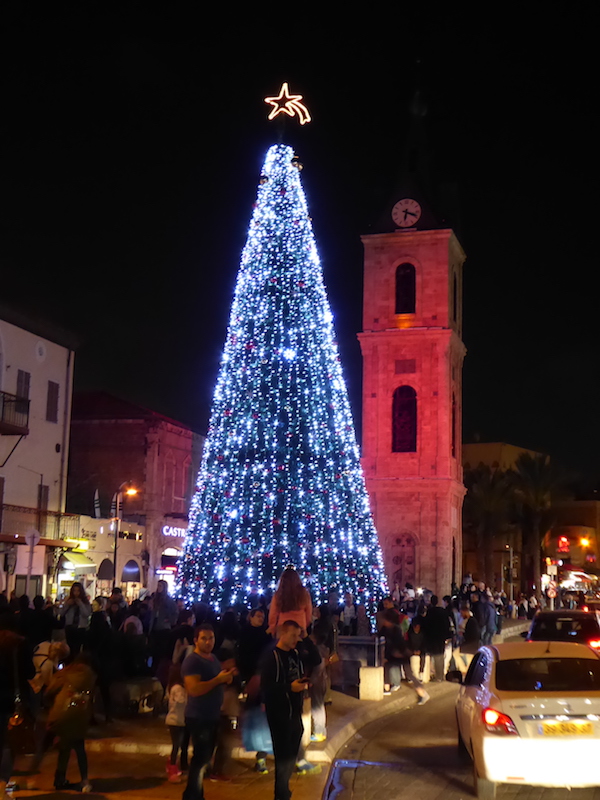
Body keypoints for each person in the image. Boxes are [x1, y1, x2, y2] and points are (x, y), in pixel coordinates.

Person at [180, 625, 236, 800]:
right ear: (196, 640)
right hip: (198, 716)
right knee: (201, 758)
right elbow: (194, 689)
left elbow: (215, 681)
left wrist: (225, 678)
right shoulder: (192, 661)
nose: (208, 642)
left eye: (211, 638)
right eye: (204, 638)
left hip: (211, 715)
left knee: (204, 758)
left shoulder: (212, 659)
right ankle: (193, 796)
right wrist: (217, 680)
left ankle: (193, 794)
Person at [261, 620, 308, 800]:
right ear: (283, 634)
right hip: (280, 714)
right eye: (293, 635)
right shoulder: (271, 657)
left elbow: (312, 659)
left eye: (298, 635)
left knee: (290, 756)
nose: (297, 639)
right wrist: (290, 688)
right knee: (283, 759)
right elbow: (267, 687)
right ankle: (281, 794)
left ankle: (284, 790)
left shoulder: (295, 654)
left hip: (295, 712)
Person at [46, 652, 95, 792]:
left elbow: (49, 691)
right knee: (80, 748)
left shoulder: (65, 674)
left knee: (64, 748)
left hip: (62, 714)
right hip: (80, 715)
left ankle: (59, 779)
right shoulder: (91, 676)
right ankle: (85, 781)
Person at [380, 609, 430, 704]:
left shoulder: (396, 629)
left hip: (401, 654)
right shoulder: (386, 628)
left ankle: (423, 693)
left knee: (409, 674)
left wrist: (401, 653)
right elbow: (380, 636)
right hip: (393, 654)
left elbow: (401, 644)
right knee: (387, 666)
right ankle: (386, 688)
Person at [268, 567, 312, 637]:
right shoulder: (304, 593)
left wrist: (273, 629)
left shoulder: (279, 594)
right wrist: (304, 626)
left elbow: (273, 615)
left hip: (282, 628)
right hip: (300, 628)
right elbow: (308, 614)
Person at [165, 663, 189, 783]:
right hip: (175, 721)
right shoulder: (178, 688)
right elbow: (181, 700)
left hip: (179, 721)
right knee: (176, 745)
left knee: (180, 745)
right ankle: (172, 768)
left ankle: (174, 765)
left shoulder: (173, 687)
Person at [422, 595, 452, 681]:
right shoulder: (443, 611)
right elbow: (447, 624)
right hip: (441, 637)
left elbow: (426, 625)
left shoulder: (430, 612)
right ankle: (441, 675)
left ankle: (436, 675)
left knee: (435, 656)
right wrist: (447, 635)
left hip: (433, 637)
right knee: (440, 656)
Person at [60, 583, 91, 656]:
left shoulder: (85, 602)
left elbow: (86, 614)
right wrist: (67, 604)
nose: (76, 593)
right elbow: (61, 613)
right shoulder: (69, 601)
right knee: (69, 648)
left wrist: (80, 604)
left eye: (78, 591)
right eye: (74, 591)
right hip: (70, 627)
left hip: (80, 628)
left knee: (77, 648)